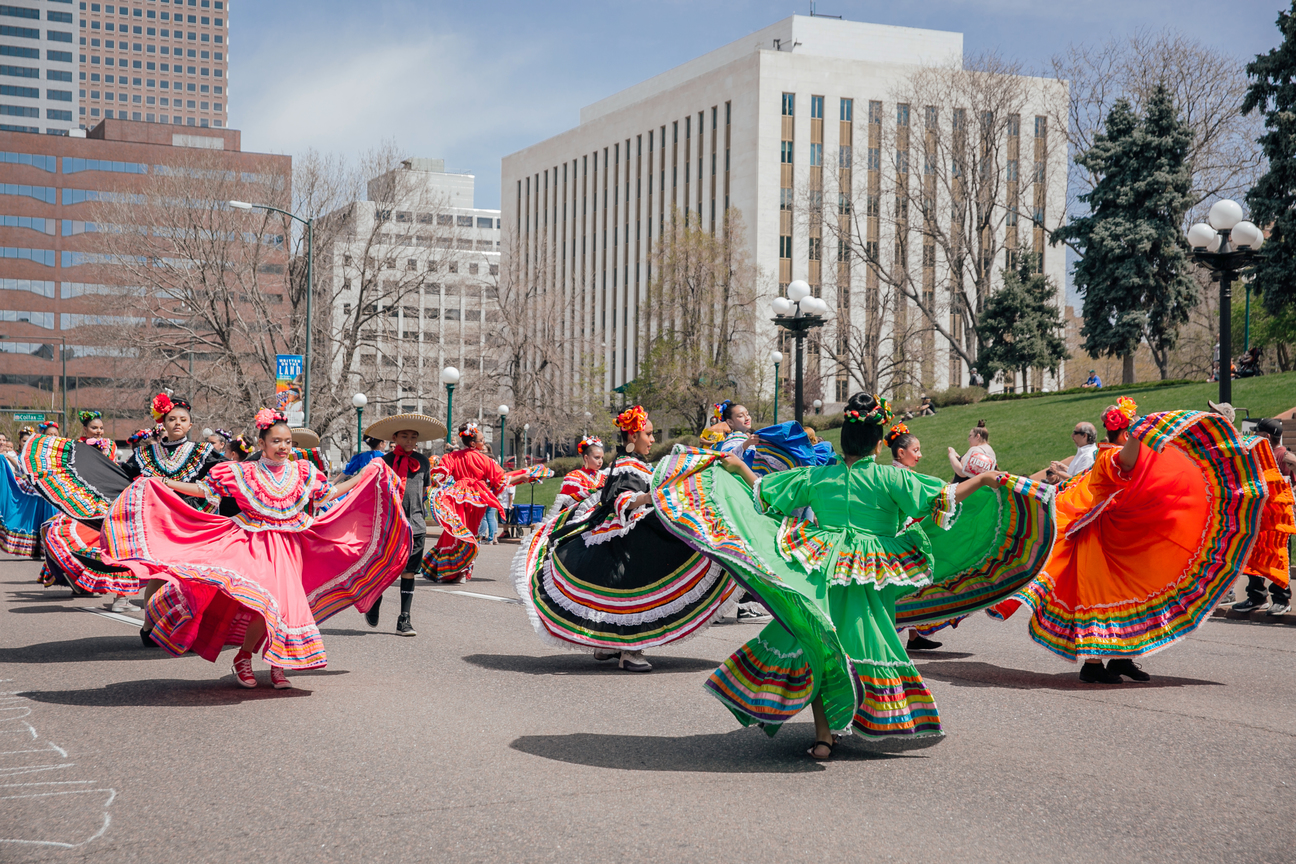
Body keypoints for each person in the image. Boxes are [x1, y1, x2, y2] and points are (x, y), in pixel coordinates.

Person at [651, 394, 1010, 759]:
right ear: (877, 443)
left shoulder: (819, 476)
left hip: (823, 568)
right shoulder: (891, 477)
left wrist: (740, 467)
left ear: (844, 440)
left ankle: (824, 736)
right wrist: (983, 479)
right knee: (867, 642)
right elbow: (945, 495)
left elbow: (765, 492)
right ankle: (868, 718)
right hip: (871, 572)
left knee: (818, 643)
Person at [99, 408, 411, 689]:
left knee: (283, 608)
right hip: (252, 547)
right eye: (276, 441)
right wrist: (167, 484)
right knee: (267, 604)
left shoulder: (301, 472)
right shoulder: (244, 472)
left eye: (287, 441)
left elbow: (329, 493)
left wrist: (364, 476)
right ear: (262, 443)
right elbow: (205, 490)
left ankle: (277, 666)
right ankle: (245, 657)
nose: (283, 447)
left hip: (290, 548)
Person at [989, 398, 1268, 683]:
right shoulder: (1109, 457)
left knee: (1128, 596)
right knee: (1100, 600)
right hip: (1099, 543)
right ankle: (1092, 664)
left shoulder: (1115, 454)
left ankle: (1121, 659)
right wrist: (1139, 431)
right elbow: (1125, 462)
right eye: (1133, 432)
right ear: (1125, 434)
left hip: (1122, 540)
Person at [514, 405, 737, 672]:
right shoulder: (627, 465)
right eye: (648, 434)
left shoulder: (633, 463)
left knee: (622, 591)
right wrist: (652, 498)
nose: (652, 439)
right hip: (626, 537)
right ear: (633, 436)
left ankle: (608, 644)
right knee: (634, 591)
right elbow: (623, 499)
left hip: (622, 535)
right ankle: (630, 651)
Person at [357, 413, 446, 637]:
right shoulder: (382, 462)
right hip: (389, 525)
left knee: (409, 572)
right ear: (394, 437)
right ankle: (375, 599)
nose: (409, 440)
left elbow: (423, 492)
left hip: (415, 525)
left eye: (413, 437)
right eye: (404, 436)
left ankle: (404, 619)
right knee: (383, 568)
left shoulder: (423, 461)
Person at [424, 421, 537, 584]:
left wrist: (441, 490)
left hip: (457, 497)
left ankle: (448, 570)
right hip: (476, 498)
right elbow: (500, 479)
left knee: (454, 529)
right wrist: (521, 476)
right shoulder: (484, 459)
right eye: (482, 440)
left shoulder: (451, 457)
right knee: (471, 530)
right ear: (472, 443)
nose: (484, 442)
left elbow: (440, 475)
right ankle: (462, 571)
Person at [1230, 418, 1294, 616]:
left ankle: (1281, 600)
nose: (1253, 435)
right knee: (1254, 556)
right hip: (1258, 517)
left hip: (1278, 520)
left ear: (1266, 436)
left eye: (1256, 432)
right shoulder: (1257, 454)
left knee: (1278, 559)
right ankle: (1257, 597)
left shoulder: (1282, 455)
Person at [548, 435, 606, 517]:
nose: (600, 461)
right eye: (597, 458)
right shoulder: (574, 477)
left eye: (602, 458)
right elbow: (567, 504)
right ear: (586, 458)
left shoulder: (604, 478)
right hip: (578, 517)